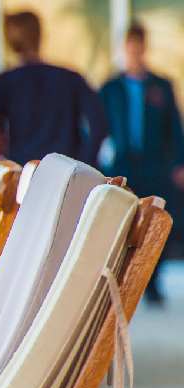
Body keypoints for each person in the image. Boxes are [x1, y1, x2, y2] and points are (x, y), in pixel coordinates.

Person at [99, 22, 184, 305]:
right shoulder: (111, 88)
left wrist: (179, 163)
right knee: (123, 223)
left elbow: (175, 128)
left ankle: (153, 281)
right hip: (122, 164)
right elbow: (99, 127)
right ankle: (125, 280)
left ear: (144, 48)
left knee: (156, 223)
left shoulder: (161, 87)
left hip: (155, 164)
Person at [0, 11, 107, 166]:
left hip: (26, 171)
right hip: (66, 170)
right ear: (40, 36)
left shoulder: (5, 82)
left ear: (10, 42)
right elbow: (99, 124)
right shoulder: (70, 78)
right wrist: (84, 163)